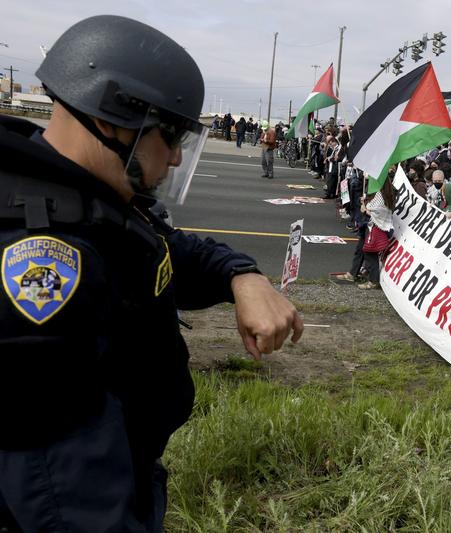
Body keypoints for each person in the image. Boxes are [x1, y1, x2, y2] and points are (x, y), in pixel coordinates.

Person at [0, 15, 303, 531]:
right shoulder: (42, 258)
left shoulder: (89, 199)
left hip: (134, 464)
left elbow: (164, 252)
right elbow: (62, 491)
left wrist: (243, 276)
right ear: (114, 120)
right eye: (170, 135)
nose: (179, 155)